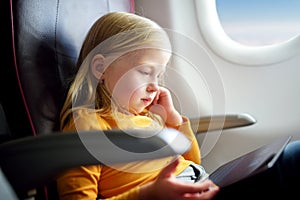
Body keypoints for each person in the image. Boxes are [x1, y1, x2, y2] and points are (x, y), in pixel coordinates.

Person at [56, 11, 300, 200]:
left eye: (158, 76)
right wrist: (149, 194)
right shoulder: (88, 126)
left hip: (200, 185)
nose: (155, 86)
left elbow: (193, 163)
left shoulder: (143, 117)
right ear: (101, 68)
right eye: (145, 72)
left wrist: (173, 120)